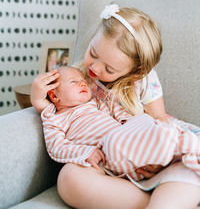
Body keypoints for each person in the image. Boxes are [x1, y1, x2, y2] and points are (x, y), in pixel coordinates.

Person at [31, 4, 200, 209]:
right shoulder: (78, 75)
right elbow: (56, 115)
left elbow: (159, 119)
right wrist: (39, 100)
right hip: (111, 163)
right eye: (93, 53)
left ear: (136, 70)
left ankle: (167, 196)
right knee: (68, 179)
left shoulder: (143, 80)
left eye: (109, 69)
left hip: (153, 149)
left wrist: (156, 160)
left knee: (187, 170)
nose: (94, 68)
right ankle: (151, 202)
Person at [33, 65, 200, 182]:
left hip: (127, 134)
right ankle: (182, 145)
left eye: (82, 79)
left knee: (144, 120)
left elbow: (116, 110)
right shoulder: (54, 118)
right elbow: (57, 147)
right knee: (115, 141)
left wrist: (130, 122)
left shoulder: (95, 103)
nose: (83, 83)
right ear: (55, 96)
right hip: (111, 149)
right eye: (74, 82)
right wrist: (85, 152)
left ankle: (184, 144)